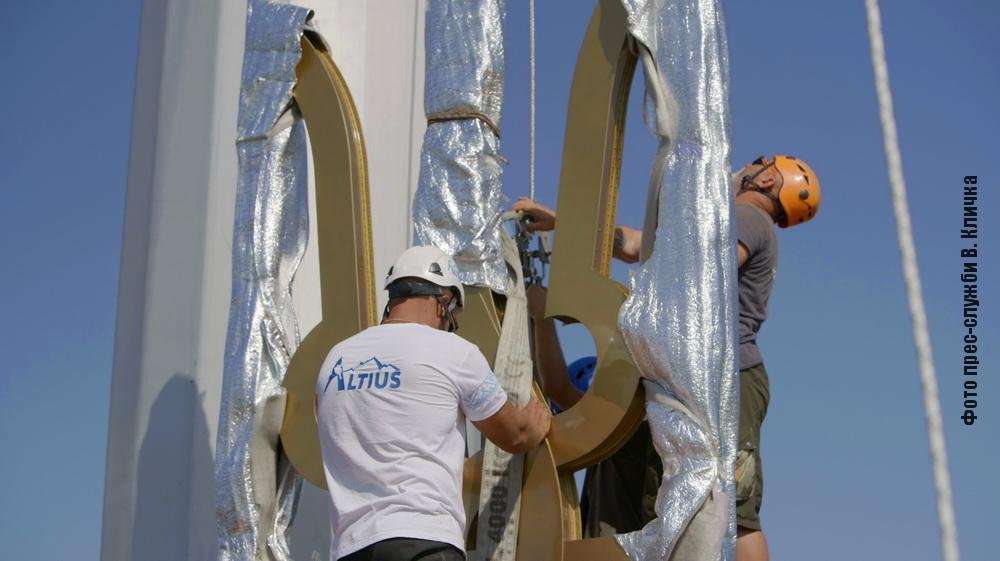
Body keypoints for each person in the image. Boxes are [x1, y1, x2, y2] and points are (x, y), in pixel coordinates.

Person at [514, 154, 821, 561]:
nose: (745, 166)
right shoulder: (734, 223)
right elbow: (641, 245)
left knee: (735, 506)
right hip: (703, 376)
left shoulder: (746, 218)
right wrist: (565, 224)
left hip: (730, 377)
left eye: (757, 163)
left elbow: (706, 272)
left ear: (767, 180)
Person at [315, 245, 553, 561]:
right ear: (444, 301)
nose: (451, 326)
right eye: (453, 319)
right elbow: (516, 435)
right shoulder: (453, 351)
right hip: (423, 539)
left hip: (351, 547)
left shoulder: (335, 360)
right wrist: (537, 422)